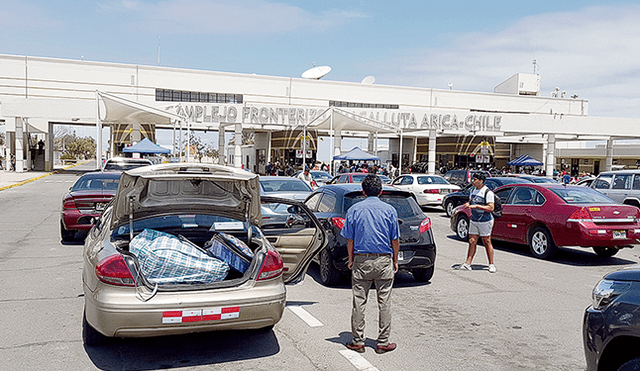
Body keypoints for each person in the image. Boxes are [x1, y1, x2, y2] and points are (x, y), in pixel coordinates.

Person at [341, 174, 399, 354]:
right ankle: (383, 342)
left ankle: (358, 341)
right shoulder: (390, 210)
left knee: (359, 301)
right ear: (381, 191)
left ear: (363, 192)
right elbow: (394, 239)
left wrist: (351, 259)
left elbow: (349, 239)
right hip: (383, 259)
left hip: (361, 259)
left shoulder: (354, 210)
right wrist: (395, 260)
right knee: (385, 302)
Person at [455, 172, 497, 273]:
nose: (472, 181)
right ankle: (468, 263)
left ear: (481, 181)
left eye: (475, 179)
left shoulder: (488, 192)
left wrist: (477, 206)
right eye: (473, 179)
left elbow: (491, 207)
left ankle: (491, 264)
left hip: (485, 220)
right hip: (474, 219)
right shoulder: (473, 190)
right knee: (472, 241)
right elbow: (472, 201)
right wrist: (468, 204)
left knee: (486, 241)